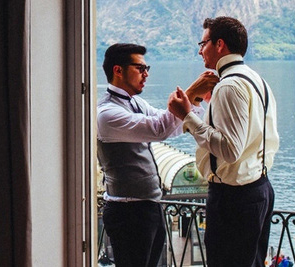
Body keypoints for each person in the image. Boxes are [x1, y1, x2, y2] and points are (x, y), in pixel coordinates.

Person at [168, 16, 279, 267]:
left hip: (234, 199)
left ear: (219, 45)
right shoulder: (256, 80)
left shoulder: (228, 86)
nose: (199, 50)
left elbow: (230, 150)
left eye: (203, 43)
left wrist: (187, 116)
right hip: (258, 188)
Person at [97, 43, 192, 267]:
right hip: (127, 212)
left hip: (148, 206)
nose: (146, 74)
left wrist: (191, 108)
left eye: (146, 67)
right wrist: (193, 91)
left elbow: (173, 127)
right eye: (140, 68)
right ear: (118, 70)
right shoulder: (107, 113)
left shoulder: (136, 103)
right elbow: (159, 129)